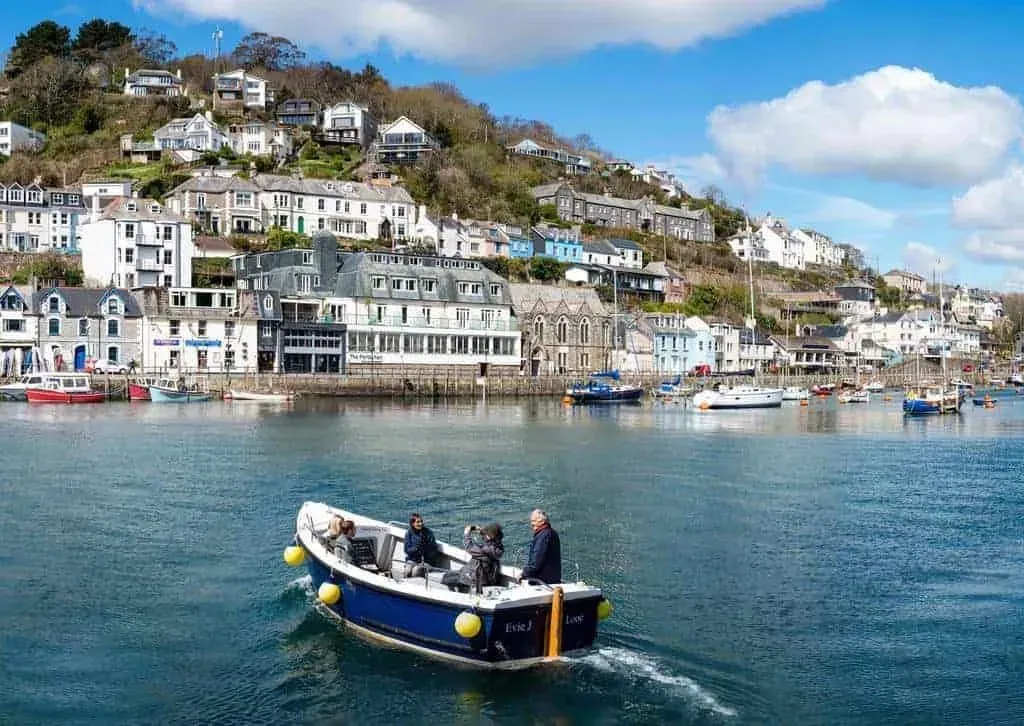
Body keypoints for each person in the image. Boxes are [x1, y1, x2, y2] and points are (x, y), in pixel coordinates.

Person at [442, 523, 504, 593]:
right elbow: (490, 539)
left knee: (446, 577)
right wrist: (481, 531)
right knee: (456, 573)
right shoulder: (498, 547)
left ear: (489, 537)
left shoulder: (484, 550)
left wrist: (466, 534)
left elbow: (468, 546)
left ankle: (457, 594)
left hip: (474, 579)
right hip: (487, 578)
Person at [522, 509, 561, 584]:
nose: (531, 523)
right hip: (552, 579)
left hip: (542, 581)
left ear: (542, 521)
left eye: (533, 521)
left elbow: (536, 561)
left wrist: (524, 574)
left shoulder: (543, 536)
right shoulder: (551, 533)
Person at [404, 513, 442, 577]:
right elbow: (406, 550)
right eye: (418, 522)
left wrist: (425, 548)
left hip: (427, 562)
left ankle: (415, 585)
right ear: (413, 524)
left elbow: (433, 550)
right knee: (407, 571)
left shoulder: (428, 533)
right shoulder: (409, 533)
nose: (420, 524)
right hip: (413, 560)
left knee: (416, 571)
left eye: (421, 521)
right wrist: (416, 548)